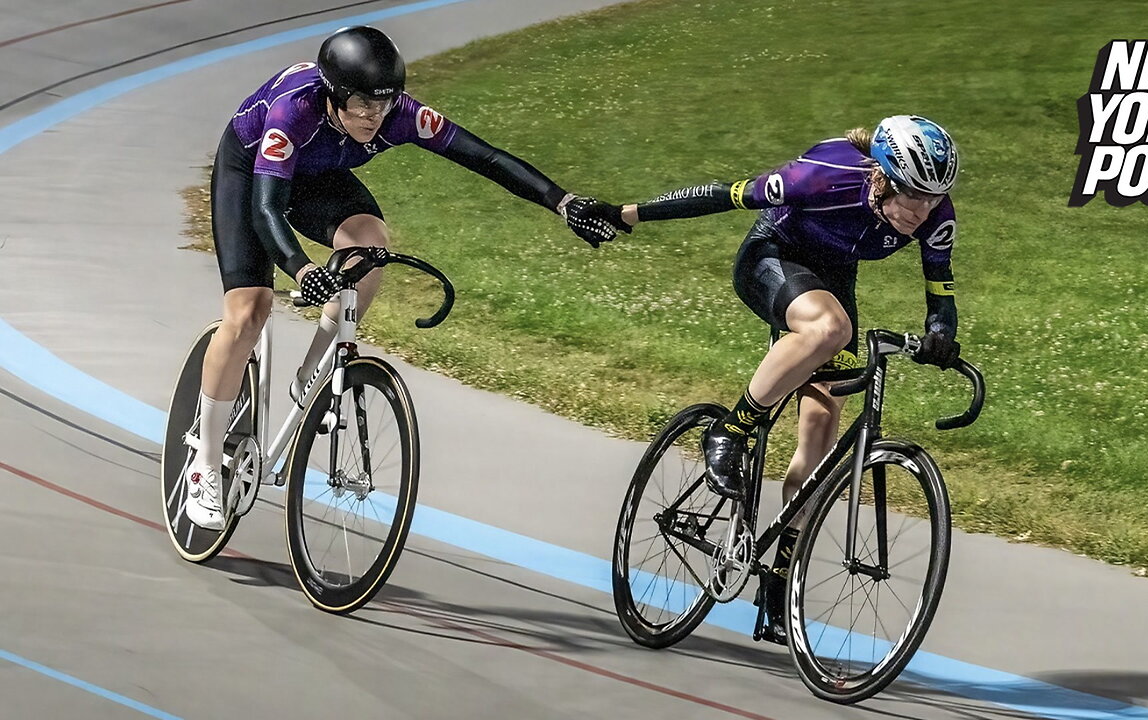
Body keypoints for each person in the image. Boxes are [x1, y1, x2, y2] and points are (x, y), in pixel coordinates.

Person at [184, 25, 617, 530]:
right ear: (332, 95)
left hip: (318, 176)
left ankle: (315, 372)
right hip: (252, 175)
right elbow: (265, 212)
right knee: (248, 312)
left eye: (383, 104)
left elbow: (486, 158)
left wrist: (562, 202)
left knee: (370, 243)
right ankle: (205, 464)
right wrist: (303, 270)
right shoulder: (292, 112)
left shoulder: (401, 114)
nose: (374, 116)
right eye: (362, 105)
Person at [586, 115, 963, 643]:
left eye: (930, 200)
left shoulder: (934, 213)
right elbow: (723, 194)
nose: (919, 213)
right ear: (879, 176)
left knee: (821, 430)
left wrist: (941, 333)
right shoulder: (824, 173)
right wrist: (625, 214)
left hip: (832, 278)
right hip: (771, 259)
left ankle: (780, 578)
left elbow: (940, 287)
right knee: (831, 328)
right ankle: (731, 431)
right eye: (910, 197)